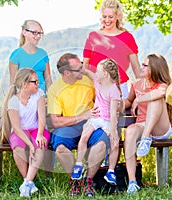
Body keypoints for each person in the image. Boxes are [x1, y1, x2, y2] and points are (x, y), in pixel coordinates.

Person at [82, 0, 143, 185]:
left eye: (111, 16)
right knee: (98, 128)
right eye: (104, 16)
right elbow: (85, 67)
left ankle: (112, 172)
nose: (107, 20)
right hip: (96, 89)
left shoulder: (127, 37)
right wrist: (96, 82)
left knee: (115, 128)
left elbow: (137, 71)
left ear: (118, 16)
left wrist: (140, 94)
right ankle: (93, 172)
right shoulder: (93, 36)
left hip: (120, 88)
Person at [47, 53, 110, 197]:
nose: (83, 70)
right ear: (67, 73)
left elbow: (106, 95)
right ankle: (75, 181)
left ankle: (88, 180)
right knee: (61, 149)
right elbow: (56, 121)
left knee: (101, 144)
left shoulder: (89, 81)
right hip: (67, 127)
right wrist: (81, 116)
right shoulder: (55, 89)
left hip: (92, 123)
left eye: (82, 66)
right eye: (78, 69)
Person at [123, 54, 172, 194]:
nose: (142, 67)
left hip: (160, 128)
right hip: (142, 124)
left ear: (155, 68)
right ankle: (133, 182)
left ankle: (146, 137)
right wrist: (114, 105)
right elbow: (128, 101)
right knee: (129, 131)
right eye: (143, 64)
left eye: (145, 65)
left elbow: (159, 93)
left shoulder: (163, 85)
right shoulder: (137, 84)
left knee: (155, 98)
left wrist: (139, 100)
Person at [0, 68, 50, 197]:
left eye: (38, 81)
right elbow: (16, 128)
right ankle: (28, 182)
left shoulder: (39, 94)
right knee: (17, 147)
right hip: (21, 132)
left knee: (40, 144)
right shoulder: (13, 101)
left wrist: (39, 135)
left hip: (36, 129)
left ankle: (27, 183)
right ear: (24, 84)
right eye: (34, 82)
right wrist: (29, 144)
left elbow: (42, 118)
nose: (37, 84)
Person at [71, 59, 122, 185]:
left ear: (105, 74)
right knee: (84, 136)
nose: (96, 73)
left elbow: (113, 112)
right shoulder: (98, 82)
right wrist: (81, 69)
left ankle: (110, 171)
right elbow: (88, 73)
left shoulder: (113, 90)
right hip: (96, 118)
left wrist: (112, 131)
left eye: (98, 71)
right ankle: (78, 164)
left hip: (108, 120)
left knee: (114, 143)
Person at [9, 19, 52, 93]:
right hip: (24, 100)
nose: (38, 36)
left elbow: (48, 80)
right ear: (24, 32)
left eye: (40, 33)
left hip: (42, 99)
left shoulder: (43, 54)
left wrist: (51, 98)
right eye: (34, 33)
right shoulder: (16, 55)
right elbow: (13, 83)